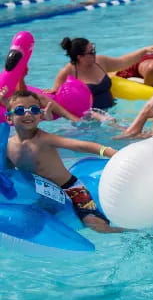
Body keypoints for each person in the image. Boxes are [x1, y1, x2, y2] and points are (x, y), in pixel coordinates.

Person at [5, 90, 123, 233]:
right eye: (20, 110)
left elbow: (80, 145)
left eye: (34, 109)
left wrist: (112, 153)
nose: (28, 114)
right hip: (43, 194)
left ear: (40, 116)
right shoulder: (8, 146)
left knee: (95, 225)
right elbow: (9, 176)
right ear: (9, 118)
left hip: (70, 189)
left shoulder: (44, 139)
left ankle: (134, 233)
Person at [52, 37, 153, 109]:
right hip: (89, 119)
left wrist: (143, 51)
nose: (95, 53)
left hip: (112, 111)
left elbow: (123, 62)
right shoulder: (68, 73)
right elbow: (58, 99)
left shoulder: (100, 61)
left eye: (94, 49)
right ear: (80, 57)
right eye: (91, 52)